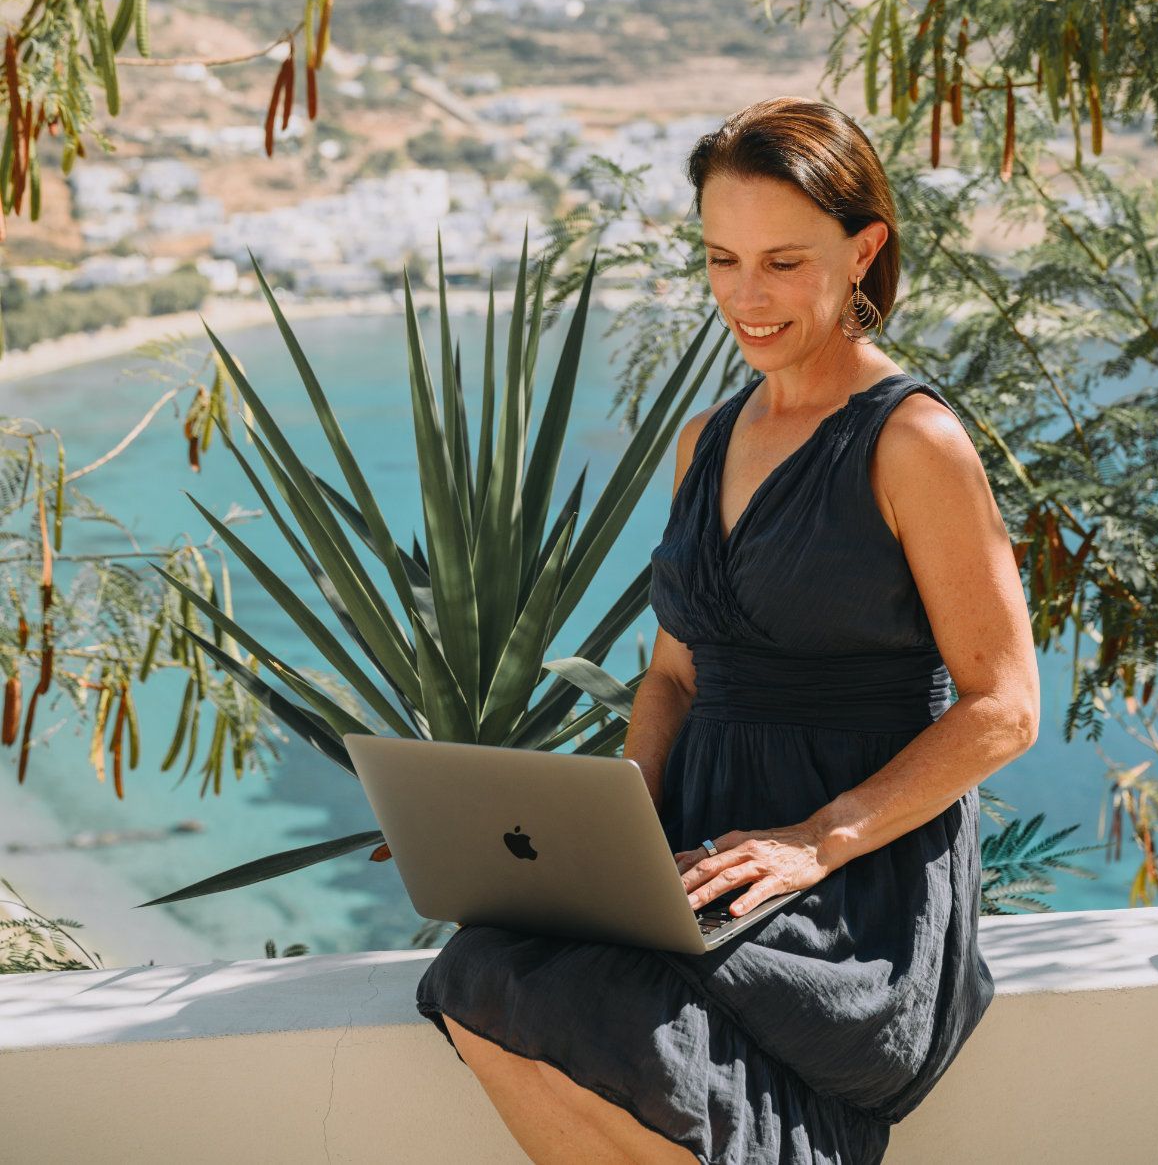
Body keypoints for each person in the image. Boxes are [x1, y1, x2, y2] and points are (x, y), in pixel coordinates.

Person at [416, 96, 1040, 1164]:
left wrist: (815, 841)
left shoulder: (915, 441)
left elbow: (1007, 708)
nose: (746, 297)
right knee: (478, 973)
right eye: (721, 258)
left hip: (850, 887)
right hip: (702, 848)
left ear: (864, 251)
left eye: (784, 262)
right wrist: (608, 825)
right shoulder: (704, 440)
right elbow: (672, 678)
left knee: (618, 1024)